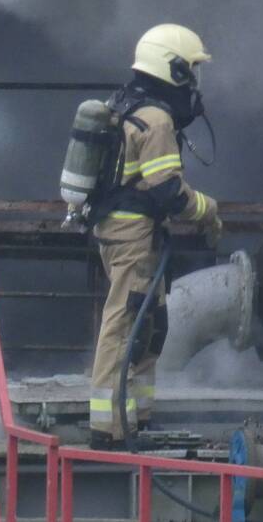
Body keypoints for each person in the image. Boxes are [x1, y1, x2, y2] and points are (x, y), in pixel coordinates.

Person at [88, 24, 223, 450]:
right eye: (192, 70)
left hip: (129, 232)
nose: (196, 82)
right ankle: (108, 428)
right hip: (131, 236)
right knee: (125, 322)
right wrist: (208, 210)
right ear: (175, 70)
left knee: (148, 325)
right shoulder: (157, 118)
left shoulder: (128, 104)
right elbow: (168, 191)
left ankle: (137, 419)